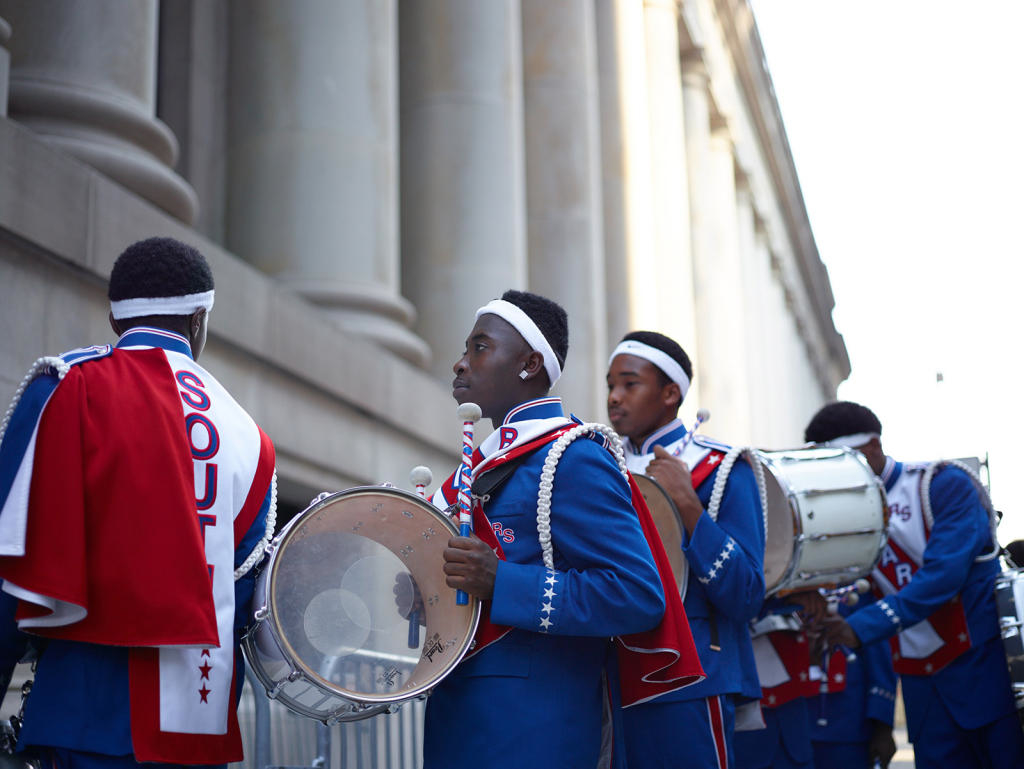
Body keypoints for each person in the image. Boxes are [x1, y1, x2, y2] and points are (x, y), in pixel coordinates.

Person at [0, 237, 277, 768]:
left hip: (82, 715)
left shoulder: (66, 384)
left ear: (112, 318)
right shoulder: (250, 435)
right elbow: (244, 592)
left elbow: (12, 557)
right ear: (199, 319)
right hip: (197, 729)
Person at [424, 293, 702, 769]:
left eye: (479, 348)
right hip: (459, 720)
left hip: (535, 733)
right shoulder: (479, 466)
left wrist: (501, 580)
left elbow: (637, 594)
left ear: (530, 363)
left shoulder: (573, 457)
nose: (460, 363)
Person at [810, 400, 1024, 769]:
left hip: (984, 674)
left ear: (873, 447)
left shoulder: (942, 484)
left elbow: (943, 578)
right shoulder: (842, 515)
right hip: (924, 692)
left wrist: (857, 628)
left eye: (843, 461)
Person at [606, 331, 765, 769]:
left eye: (629, 383)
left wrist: (689, 507)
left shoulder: (723, 467)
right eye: (610, 385)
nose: (614, 397)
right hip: (609, 680)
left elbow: (748, 594)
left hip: (691, 682)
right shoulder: (599, 467)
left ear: (671, 393)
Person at [807, 597, 897, 769]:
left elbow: (879, 656)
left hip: (848, 725)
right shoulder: (780, 581)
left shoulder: (856, 588)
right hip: (790, 726)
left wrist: (882, 725)